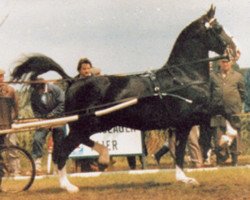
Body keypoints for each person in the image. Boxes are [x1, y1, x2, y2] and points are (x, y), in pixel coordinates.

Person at [210, 58, 245, 166]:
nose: (225, 64)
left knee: (235, 133)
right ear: (220, 63)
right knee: (218, 134)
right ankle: (221, 159)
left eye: (227, 61)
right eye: (223, 61)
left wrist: (237, 105)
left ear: (231, 63)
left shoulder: (238, 76)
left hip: (233, 110)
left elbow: (242, 93)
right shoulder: (213, 76)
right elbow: (209, 92)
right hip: (217, 110)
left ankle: (235, 160)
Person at [30, 78, 66, 174]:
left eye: (38, 89)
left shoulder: (55, 89)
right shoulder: (34, 93)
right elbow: (34, 107)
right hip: (43, 120)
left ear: (43, 86)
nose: (37, 91)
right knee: (37, 139)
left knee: (59, 141)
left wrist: (52, 114)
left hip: (58, 118)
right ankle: (37, 165)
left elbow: (62, 104)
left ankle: (57, 165)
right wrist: (39, 117)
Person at [0, 68, 19, 177]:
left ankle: (15, 171)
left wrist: (12, 120)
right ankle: (2, 173)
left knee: (12, 147)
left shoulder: (10, 90)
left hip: (9, 124)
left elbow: (16, 108)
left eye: (1, 76)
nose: (0, 79)